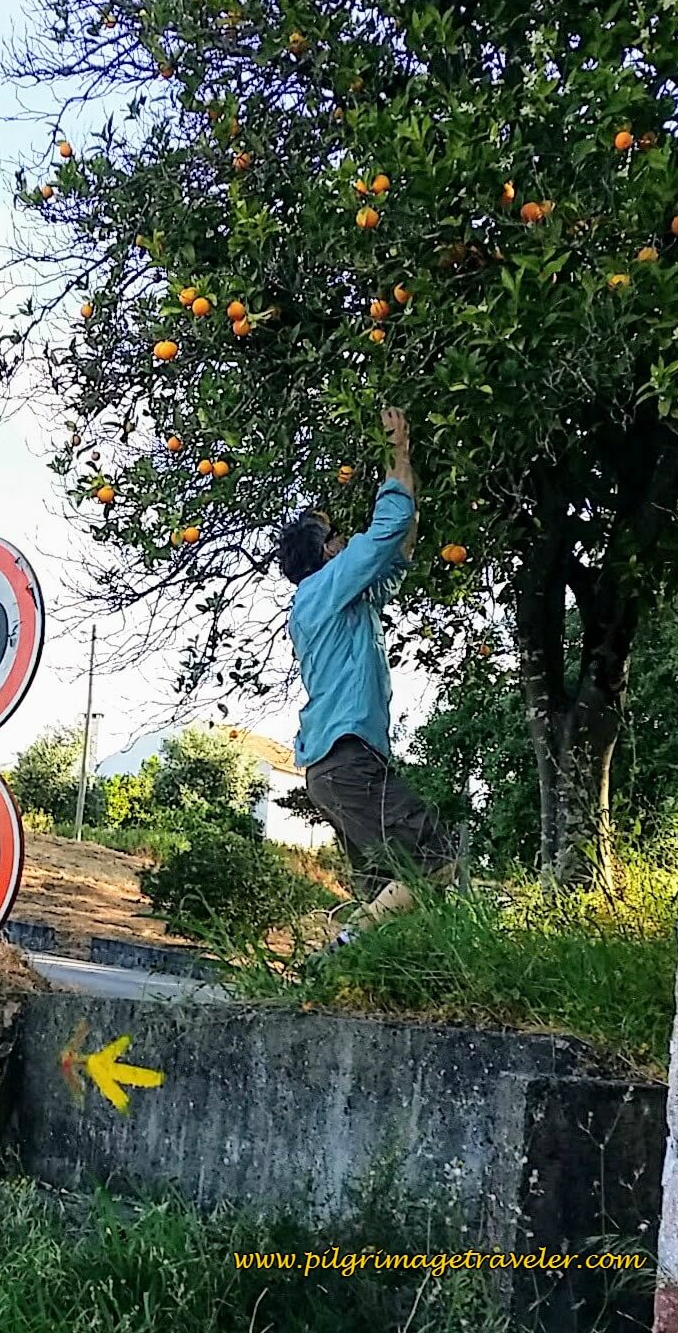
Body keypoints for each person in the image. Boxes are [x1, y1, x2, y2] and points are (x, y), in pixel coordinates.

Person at [277, 407, 456, 954]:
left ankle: (349, 972)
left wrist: (403, 474)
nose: (344, 536)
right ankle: (342, 947)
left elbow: (397, 551)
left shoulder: (337, 599)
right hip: (348, 760)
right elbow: (385, 530)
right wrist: (398, 449)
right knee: (436, 859)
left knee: (387, 890)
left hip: (336, 767)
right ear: (326, 553)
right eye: (333, 535)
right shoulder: (325, 588)